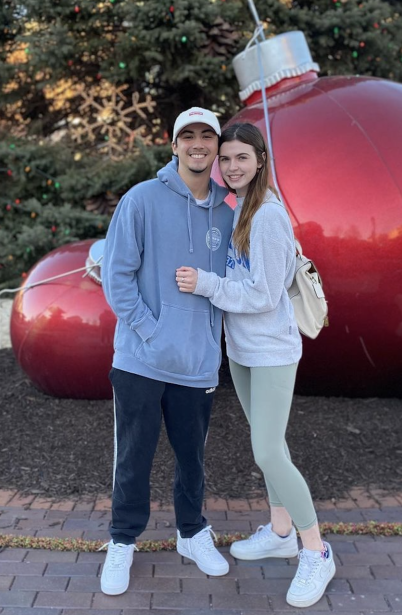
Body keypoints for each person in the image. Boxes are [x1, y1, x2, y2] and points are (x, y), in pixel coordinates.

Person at [177, 122, 336, 608]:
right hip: (243, 350)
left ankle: (316, 550)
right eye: (225, 159)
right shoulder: (238, 204)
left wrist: (205, 284)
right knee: (271, 444)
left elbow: (265, 294)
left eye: (241, 157)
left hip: (270, 350)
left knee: (267, 451)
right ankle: (282, 531)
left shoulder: (267, 215)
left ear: (261, 160)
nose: (230, 166)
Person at [98, 108, 235, 596]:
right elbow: (117, 275)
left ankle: (193, 533)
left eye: (207, 136)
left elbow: (239, 280)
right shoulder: (141, 200)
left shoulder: (231, 210)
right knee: (133, 456)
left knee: (191, 458)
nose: (198, 144)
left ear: (217, 146)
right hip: (140, 358)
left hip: (197, 363)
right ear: (173, 145)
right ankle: (122, 541)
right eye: (188, 136)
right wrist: (148, 330)